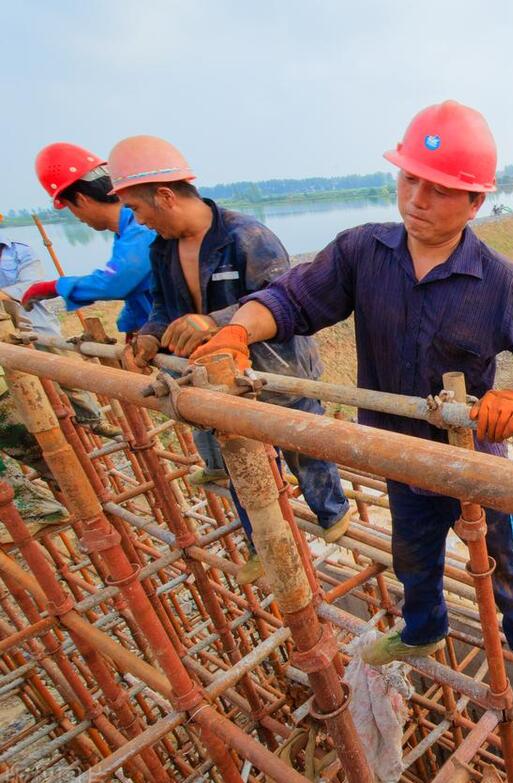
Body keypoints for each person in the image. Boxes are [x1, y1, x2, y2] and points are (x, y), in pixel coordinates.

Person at [190, 100, 513, 705]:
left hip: (474, 460)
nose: (418, 198)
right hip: (396, 453)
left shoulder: (501, 281)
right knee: (411, 555)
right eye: (409, 179)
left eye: (441, 189)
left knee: (504, 555)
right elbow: (291, 300)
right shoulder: (360, 252)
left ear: (475, 203)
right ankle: (423, 630)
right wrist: (242, 327)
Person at [107, 135, 351, 584]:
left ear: (164, 196)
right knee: (239, 459)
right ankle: (262, 542)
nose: (137, 220)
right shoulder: (162, 250)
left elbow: (284, 301)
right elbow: (163, 306)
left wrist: (214, 320)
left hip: (276, 370)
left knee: (305, 449)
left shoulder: (248, 237)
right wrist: (149, 336)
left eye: (138, 210)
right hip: (218, 378)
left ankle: (332, 513)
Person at [21, 143, 154, 339]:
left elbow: (115, 281)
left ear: (81, 199)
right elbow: (135, 288)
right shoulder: (126, 232)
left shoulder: (140, 228)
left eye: (69, 207)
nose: (77, 217)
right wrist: (129, 327)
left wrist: (55, 287)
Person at [0, 218, 117, 437]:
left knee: (65, 371)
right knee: (18, 386)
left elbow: (30, 285)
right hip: (3, 331)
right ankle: (37, 430)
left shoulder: (19, 252)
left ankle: (91, 419)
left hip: (34, 321)